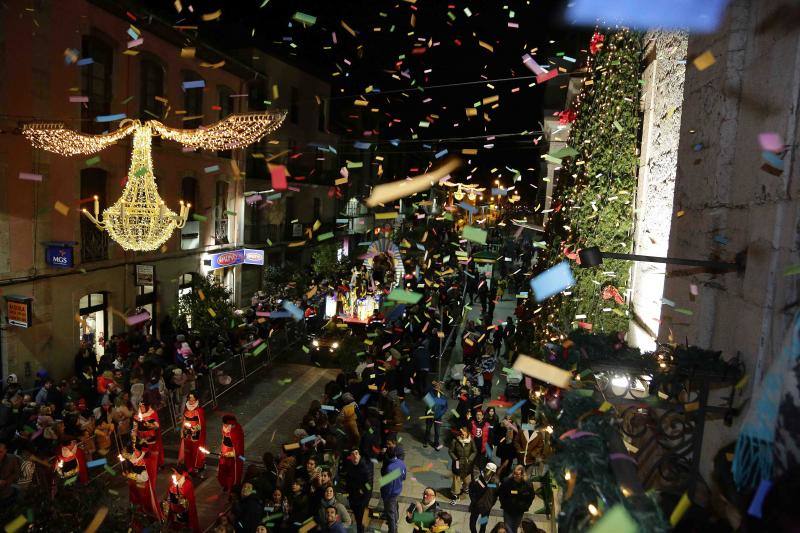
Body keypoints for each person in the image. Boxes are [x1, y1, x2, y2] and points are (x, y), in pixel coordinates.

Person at [123, 443, 162, 521]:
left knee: (144, 501)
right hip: (135, 484)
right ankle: (137, 512)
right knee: (135, 498)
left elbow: (144, 478)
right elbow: (128, 457)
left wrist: (130, 475)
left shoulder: (144, 463)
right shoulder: (134, 458)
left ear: (141, 452)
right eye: (135, 450)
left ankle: (147, 514)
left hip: (143, 486)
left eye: (137, 451)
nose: (135, 452)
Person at [343, 448, 373, 533]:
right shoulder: (350, 466)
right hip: (353, 498)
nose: (355, 455)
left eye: (356, 453)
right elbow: (347, 481)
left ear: (359, 455)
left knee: (361, 520)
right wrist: (348, 495)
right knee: (358, 519)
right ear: (350, 457)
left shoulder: (364, 468)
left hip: (362, 499)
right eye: (353, 454)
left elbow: (368, 485)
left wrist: (363, 490)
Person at [498, 465, 535, 533]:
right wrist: (504, 503)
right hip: (508, 509)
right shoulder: (507, 481)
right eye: (514, 473)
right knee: (508, 528)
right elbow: (501, 493)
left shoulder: (527, 484)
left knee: (515, 528)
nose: (515, 475)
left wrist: (526, 506)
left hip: (519, 511)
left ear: (522, 475)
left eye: (517, 474)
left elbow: (531, 496)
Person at [165, 464, 200, 532]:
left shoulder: (187, 484)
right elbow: (169, 495)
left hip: (183, 513)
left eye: (176, 472)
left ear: (182, 474)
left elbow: (186, 502)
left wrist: (176, 494)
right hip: (174, 510)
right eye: (174, 472)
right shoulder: (175, 482)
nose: (174, 474)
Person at [179, 391, 206, 475]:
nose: (191, 401)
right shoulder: (186, 410)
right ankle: (189, 466)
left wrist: (194, 429)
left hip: (195, 435)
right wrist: (182, 431)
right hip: (187, 434)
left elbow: (201, 424)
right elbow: (184, 421)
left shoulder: (199, 411)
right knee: (188, 451)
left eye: (193, 399)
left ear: (196, 400)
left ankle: (197, 466)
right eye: (190, 399)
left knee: (195, 451)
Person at [380, 447, 406, 533]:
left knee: (390, 514)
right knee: (394, 508)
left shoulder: (390, 468)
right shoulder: (401, 463)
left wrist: (385, 497)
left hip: (390, 495)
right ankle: (395, 522)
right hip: (397, 490)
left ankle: (393, 530)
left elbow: (388, 486)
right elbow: (403, 477)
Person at [132, 399, 164, 471]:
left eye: (143, 406)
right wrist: (133, 435)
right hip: (141, 439)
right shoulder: (137, 416)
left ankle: (157, 465)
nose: (141, 408)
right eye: (140, 406)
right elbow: (135, 428)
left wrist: (149, 425)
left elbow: (157, 426)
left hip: (151, 438)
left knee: (154, 453)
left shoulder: (152, 414)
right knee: (144, 454)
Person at [468, 462, 499, 533]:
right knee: (472, 523)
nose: (488, 473)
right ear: (485, 469)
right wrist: (474, 501)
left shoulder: (495, 482)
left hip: (486, 508)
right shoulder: (477, 479)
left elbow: (495, 495)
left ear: (493, 473)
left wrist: (490, 504)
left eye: (490, 472)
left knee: (483, 524)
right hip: (476, 506)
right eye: (487, 470)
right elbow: (471, 491)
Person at [448, 426, 477, 503]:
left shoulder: (471, 441)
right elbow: (450, 451)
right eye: (461, 433)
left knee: (467, 480)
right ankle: (455, 495)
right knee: (456, 480)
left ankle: (465, 488)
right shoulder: (455, 441)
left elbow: (474, 451)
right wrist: (455, 459)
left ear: (467, 433)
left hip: (467, 464)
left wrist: (470, 459)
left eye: (463, 433)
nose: (462, 434)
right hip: (457, 463)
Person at [218, 414, 245, 492]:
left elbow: (238, 448)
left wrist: (229, 454)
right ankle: (225, 484)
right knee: (223, 469)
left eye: (225, 424)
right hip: (225, 451)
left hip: (233, 456)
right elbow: (224, 439)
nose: (224, 425)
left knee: (232, 472)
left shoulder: (237, 430)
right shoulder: (225, 428)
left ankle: (232, 488)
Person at [424, 381, 448, 450]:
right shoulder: (430, 393)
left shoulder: (443, 396)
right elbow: (428, 403)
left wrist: (440, 413)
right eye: (438, 385)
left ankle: (436, 444)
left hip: (438, 418)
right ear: (435, 386)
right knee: (428, 429)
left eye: (440, 386)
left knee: (437, 431)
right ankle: (425, 441)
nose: (439, 387)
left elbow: (445, 407)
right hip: (429, 417)